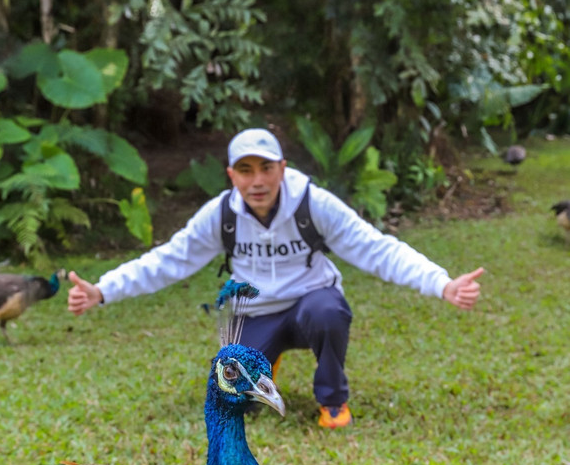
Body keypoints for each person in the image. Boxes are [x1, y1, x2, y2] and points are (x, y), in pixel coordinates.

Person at [68, 128, 483, 428]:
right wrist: (103, 290)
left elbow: (376, 248)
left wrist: (441, 283)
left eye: (266, 168)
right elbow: (168, 260)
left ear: (283, 168)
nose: (257, 181)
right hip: (255, 312)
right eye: (245, 170)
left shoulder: (313, 204)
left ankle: (333, 400)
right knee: (236, 404)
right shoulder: (221, 214)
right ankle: (268, 358)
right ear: (231, 175)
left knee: (328, 311)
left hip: (310, 304)